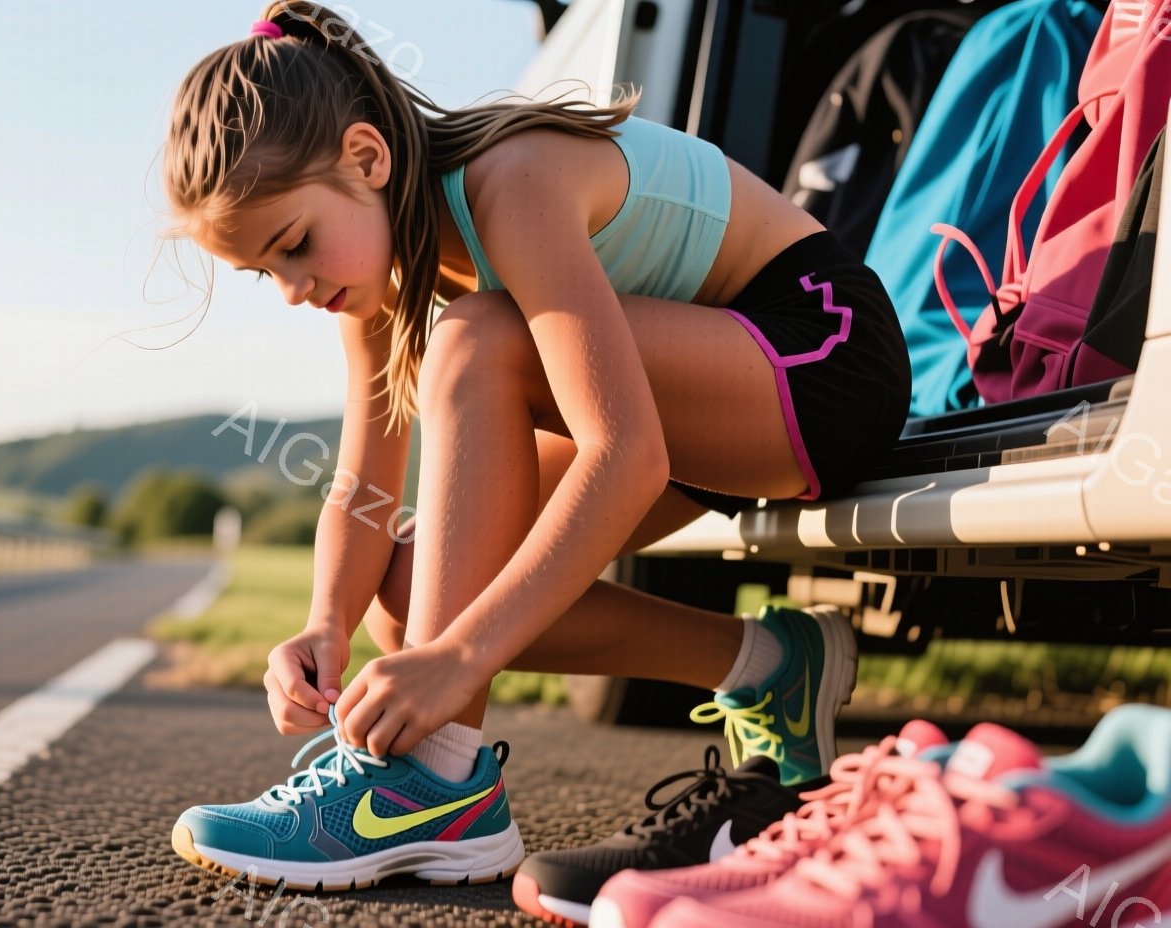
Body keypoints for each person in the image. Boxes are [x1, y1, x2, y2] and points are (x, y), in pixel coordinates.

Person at [160, 1, 912, 895]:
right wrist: (325, 624)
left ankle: (435, 787)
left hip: (816, 355)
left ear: (367, 158)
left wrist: (465, 659)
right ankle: (774, 665)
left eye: (293, 245)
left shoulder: (506, 183)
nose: (290, 288)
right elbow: (363, 484)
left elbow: (624, 454)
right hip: (698, 402)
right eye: (263, 273)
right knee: (406, 598)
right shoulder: (367, 277)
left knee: (477, 342)